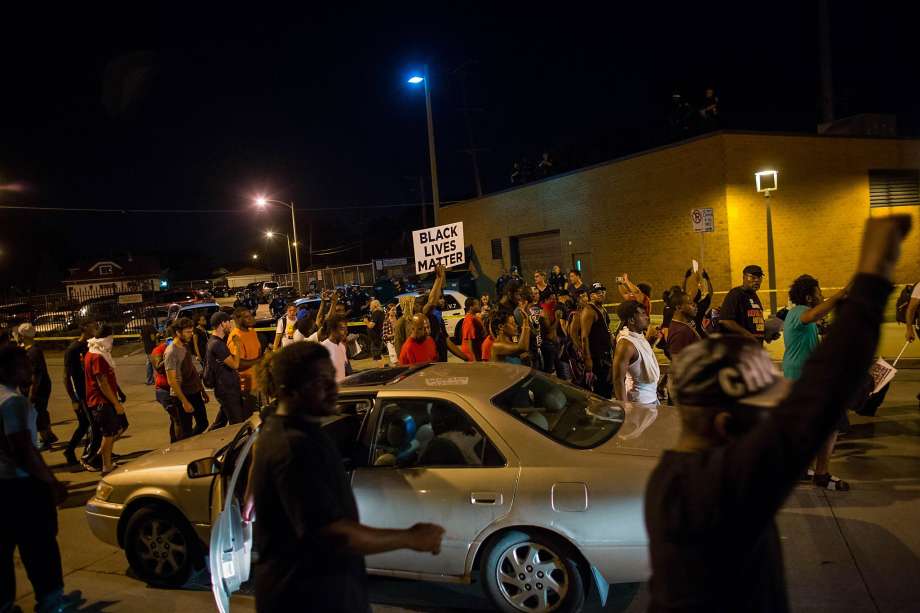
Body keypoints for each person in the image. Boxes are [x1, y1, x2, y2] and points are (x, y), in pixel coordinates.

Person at [644, 215, 911, 613]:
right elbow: (824, 392)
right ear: (725, 423)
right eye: (757, 409)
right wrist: (873, 275)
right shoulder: (726, 484)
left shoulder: (671, 479)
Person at [250, 341, 444, 612]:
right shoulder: (293, 447)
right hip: (305, 598)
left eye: (332, 376)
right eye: (320, 381)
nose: (333, 388)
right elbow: (331, 534)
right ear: (289, 391)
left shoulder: (298, 431)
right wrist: (410, 538)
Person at [1, 344, 81, 613]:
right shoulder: (13, 402)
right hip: (20, 485)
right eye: (24, 365)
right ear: (9, 369)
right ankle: (51, 601)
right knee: (40, 546)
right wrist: (52, 482)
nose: (31, 371)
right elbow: (24, 449)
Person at [782, 275, 849, 490]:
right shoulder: (801, 313)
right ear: (809, 297)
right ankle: (821, 475)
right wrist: (841, 295)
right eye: (819, 293)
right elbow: (815, 314)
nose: (822, 296)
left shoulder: (799, 315)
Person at [84, 325, 125, 475]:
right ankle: (106, 466)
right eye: (111, 338)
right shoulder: (97, 356)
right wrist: (116, 403)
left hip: (105, 401)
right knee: (109, 434)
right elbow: (102, 382)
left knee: (119, 427)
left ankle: (100, 458)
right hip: (101, 402)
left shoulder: (96, 352)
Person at [164, 318, 209, 439]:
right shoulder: (171, 352)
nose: (191, 334)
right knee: (186, 430)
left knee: (203, 423)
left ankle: (191, 442)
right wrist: (184, 402)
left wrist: (202, 390)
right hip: (181, 395)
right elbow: (172, 381)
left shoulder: (186, 346)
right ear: (178, 332)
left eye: (192, 331)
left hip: (194, 391)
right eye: (188, 332)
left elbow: (192, 370)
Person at [63, 320, 98, 467]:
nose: (95, 328)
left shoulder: (89, 346)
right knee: (91, 424)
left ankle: (89, 451)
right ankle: (84, 453)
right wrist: (73, 399)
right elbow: (66, 376)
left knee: (86, 424)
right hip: (82, 394)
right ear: (84, 328)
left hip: (91, 391)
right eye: (93, 325)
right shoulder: (73, 349)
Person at [612, 301, 660, 406]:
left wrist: (650, 342)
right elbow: (618, 379)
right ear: (632, 320)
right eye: (642, 314)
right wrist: (624, 409)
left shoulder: (638, 336)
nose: (647, 317)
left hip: (651, 399)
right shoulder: (626, 344)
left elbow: (639, 363)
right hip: (639, 404)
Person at [17, 324, 56, 450]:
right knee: (41, 411)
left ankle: (46, 439)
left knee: (37, 413)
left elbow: (35, 375)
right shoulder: (33, 350)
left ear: (22, 336)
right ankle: (48, 435)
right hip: (43, 387)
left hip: (38, 389)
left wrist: (31, 395)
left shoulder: (32, 353)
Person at [206, 311, 246, 429]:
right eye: (229, 322)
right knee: (237, 425)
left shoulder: (216, 341)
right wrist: (238, 346)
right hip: (227, 390)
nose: (231, 326)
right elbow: (235, 365)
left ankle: (206, 442)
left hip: (226, 388)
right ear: (222, 323)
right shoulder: (217, 344)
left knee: (219, 424)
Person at [580, 282, 613, 398]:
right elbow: (584, 337)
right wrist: (588, 360)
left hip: (605, 355)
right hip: (597, 357)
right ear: (591, 295)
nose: (601, 294)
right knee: (600, 391)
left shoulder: (602, 309)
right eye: (597, 293)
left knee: (607, 388)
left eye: (603, 292)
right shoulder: (589, 311)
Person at [228, 307, 263, 414]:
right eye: (247, 317)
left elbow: (258, 353)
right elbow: (238, 364)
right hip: (245, 387)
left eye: (251, 315)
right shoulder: (235, 337)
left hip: (257, 383)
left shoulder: (252, 331)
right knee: (248, 420)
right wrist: (260, 360)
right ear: (238, 320)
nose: (251, 318)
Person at [720, 264, 766, 343]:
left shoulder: (754, 296)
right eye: (753, 277)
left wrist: (767, 332)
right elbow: (725, 320)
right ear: (744, 277)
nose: (757, 280)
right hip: (741, 347)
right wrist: (747, 335)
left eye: (759, 277)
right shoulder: (735, 294)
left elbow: (753, 323)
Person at [151, 328, 182, 442]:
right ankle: (178, 444)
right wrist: (169, 354)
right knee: (177, 418)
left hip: (174, 388)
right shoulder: (159, 350)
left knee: (175, 418)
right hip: (164, 390)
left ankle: (174, 441)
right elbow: (158, 367)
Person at [666, 291, 703, 357]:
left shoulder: (683, 326)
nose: (695, 306)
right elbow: (677, 361)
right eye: (690, 303)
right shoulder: (680, 332)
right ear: (679, 308)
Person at [321, 314, 351, 382]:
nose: (346, 332)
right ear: (332, 330)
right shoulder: (323, 348)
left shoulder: (342, 346)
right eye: (342, 329)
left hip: (343, 390)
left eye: (346, 329)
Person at [364, 300, 386, 368]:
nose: (370, 306)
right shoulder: (381, 312)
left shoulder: (376, 312)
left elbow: (371, 325)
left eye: (371, 305)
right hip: (378, 337)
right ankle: (383, 367)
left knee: (376, 354)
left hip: (376, 337)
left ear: (374, 306)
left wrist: (366, 322)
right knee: (378, 353)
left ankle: (381, 369)